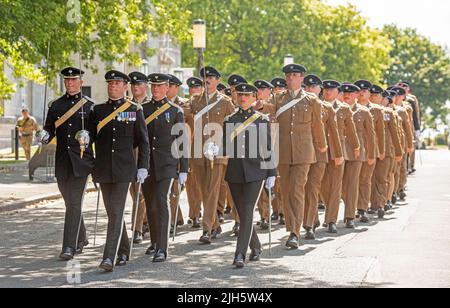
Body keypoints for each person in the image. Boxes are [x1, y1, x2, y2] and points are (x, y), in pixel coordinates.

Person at [88, 70, 150, 272]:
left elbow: (143, 141)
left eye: (117, 84)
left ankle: (109, 257)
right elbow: (89, 140)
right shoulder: (97, 111)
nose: (112, 86)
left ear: (125, 87)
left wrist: (143, 166)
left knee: (115, 211)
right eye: (110, 84)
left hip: (124, 170)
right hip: (104, 169)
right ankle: (124, 250)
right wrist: (90, 164)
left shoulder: (134, 109)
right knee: (113, 213)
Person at [39, 67, 95, 261]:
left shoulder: (90, 106)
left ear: (81, 82)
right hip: (62, 161)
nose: (70, 83)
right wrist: (44, 135)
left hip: (81, 161)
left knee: (74, 202)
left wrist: (89, 138)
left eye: (74, 80)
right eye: (67, 80)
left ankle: (69, 247)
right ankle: (82, 237)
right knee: (70, 202)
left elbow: (96, 134)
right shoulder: (56, 105)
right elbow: (49, 129)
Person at [222, 83, 277, 268]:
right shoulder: (229, 119)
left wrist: (272, 173)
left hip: (256, 171)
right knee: (243, 212)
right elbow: (225, 146)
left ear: (254, 97)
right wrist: (213, 148)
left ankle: (239, 254)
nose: (243, 98)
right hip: (235, 172)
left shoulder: (261, 119)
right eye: (240, 95)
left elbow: (268, 147)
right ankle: (256, 246)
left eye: (247, 95)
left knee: (247, 210)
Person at [274, 64, 327, 249]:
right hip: (283, 152)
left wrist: (321, 145)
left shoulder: (311, 100)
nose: (290, 78)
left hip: (304, 152)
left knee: (297, 189)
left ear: (301, 78)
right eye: (288, 76)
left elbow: (318, 125)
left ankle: (295, 232)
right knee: (286, 191)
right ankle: (292, 227)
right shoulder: (278, 98)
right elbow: (267, 112)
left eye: (294, 75)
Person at [141, 73, 188, 262]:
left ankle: (163, 247)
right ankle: (154, 241)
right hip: (147, 165)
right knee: (150, 204)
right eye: (153, 86)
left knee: (162, 201)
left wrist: (184, 168)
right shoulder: (142, 109)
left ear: (167, 87)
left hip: (167, 164)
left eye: (160, 86)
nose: (156, 89)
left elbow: (181, 141)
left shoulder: (175, 110)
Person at [188, 66, 236, 244]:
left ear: (217, 81)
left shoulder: (225, 102)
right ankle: (215, 224)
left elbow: (233, 127)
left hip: (218, 152)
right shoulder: (194, 101)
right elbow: (183, 114)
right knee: (202, 191)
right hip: (198, 152)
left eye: (211, 77)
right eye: (204, 77)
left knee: (212, 190)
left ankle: (206, 229)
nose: (207, 80)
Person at [303, 75, 343, 239]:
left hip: (324, 153)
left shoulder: (327, 108)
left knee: (331, 187)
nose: (310, 89)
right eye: (308, 87)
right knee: (311, 188)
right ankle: (311, 223)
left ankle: (331, 220)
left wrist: (339, 154)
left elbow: (334, 132)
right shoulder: (301, 105)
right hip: (306, 152)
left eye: (314, 87)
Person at [321, 80, 360, 233]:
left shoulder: (344, 109)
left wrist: (356, 146)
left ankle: (331, 220)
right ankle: (328, 212)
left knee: (336, 186)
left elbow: (351, 131)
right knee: (322, 186)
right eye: (325, 89)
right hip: (321, 151)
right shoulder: (317, 105)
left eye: (331, 90)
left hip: (339, 151)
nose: (327, 92)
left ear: (338, 92)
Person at [341, 83, 376, 229]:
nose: (347, 95)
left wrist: (371, 154)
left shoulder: (364, 112)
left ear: (356, 95)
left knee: (353, 184)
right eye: (345, 93)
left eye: (351, 93)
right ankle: (351, 206)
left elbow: (371, 135)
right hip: (340, 151)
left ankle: (350, 216)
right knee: (339, 186)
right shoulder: (338, 110)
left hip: (357, 153)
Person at [128, 71, 151, 244]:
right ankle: (140, 224)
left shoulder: (152, 106)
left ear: (146, 86)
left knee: (144, 194)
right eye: (133, 85)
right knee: (136, 193)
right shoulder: (126, 107)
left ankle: (140, 227)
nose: (136, 87)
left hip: (150, 155)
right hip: (130, 156)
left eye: (139, 84)